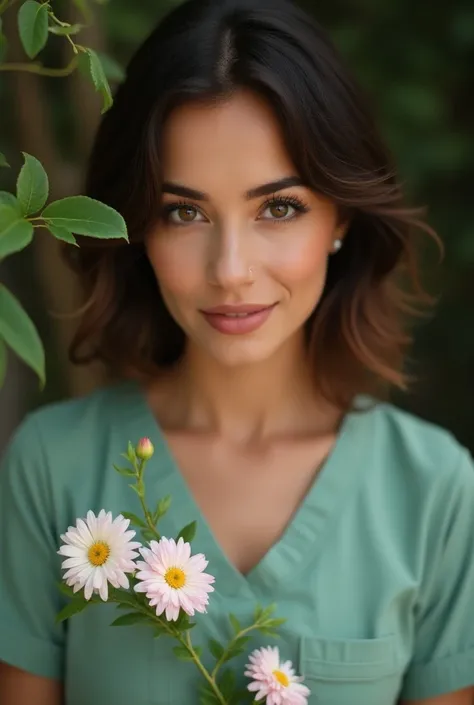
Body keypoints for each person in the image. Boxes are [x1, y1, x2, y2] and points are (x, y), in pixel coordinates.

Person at [1, 0, 474, 703]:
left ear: (339, 216)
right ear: (138, 227)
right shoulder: (54, 467)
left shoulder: (433, 489)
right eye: (183, 212)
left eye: (277, 208)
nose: (230, 269)